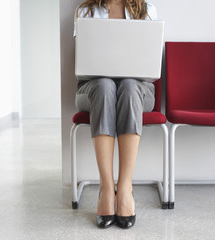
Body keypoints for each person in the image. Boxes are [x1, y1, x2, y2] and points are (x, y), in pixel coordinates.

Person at [74, 0, 157, 229]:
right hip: (92, 89)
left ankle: (126, 188)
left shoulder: (147, 10)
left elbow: (150, 68)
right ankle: (106, 188)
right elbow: (83, 63)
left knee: (128, 86)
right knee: (104, 86)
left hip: (138, 89)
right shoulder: (85, 11)